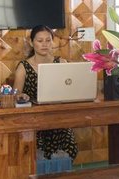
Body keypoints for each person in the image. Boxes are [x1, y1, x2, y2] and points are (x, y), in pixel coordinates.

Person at [13, 25, 78, 162]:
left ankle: (61, 175)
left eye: (48, 40)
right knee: (36, 152)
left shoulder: (61, 63)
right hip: (32, 121)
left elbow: (70, 89)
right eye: (40, 41)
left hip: (57, 119)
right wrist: (21, 96)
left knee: (70, 146)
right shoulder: (23, 67)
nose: (44, 44)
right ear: (32, 43)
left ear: (52, 42)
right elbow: (15, 94)